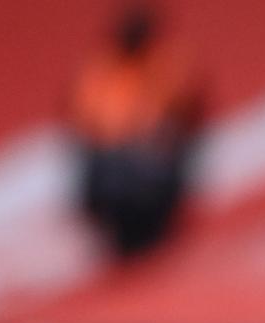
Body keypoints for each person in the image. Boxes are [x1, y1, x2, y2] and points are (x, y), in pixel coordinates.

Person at [68, 4, 202, 260]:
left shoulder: (169, 64)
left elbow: (191, 111)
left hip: (154, 160)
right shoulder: (99, 71)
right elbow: (82, 126)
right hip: (114, 165)